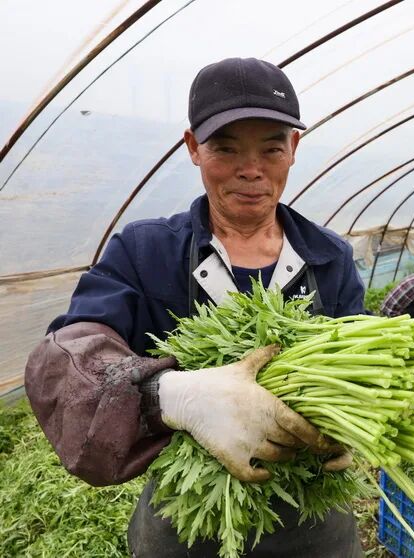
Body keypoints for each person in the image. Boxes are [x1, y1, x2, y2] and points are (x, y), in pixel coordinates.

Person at [25, 58, 366, 557]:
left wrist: (360, 420)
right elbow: (62, 365)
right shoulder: (145, 252)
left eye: (271, 148)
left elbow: (365, 366)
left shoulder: (329, 257)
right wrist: (173, 396)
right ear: (193, 148)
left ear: (293, 148)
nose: (251, 169)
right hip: (187, 523)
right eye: (226, 148)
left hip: (312, 524)